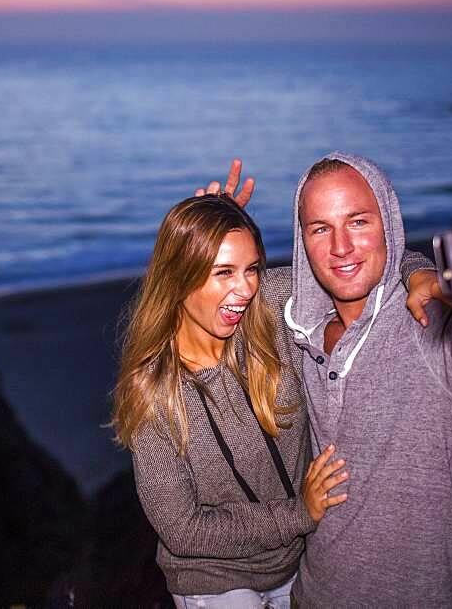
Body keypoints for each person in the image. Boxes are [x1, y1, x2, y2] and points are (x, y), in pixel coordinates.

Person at [207, 152, 452, 605]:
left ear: (389, 224)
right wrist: (210, 240)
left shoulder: (431, 324)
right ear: (303, 241)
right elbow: (210, 301)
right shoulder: (296, 328)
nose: (340, 247)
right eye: (321, 228)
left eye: (358, 222)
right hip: (311, 595)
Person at [110, 194, 349, 608]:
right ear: (179, 278)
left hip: (298, 559)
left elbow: (350, 267)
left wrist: (421, 273)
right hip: (213, 578)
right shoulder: (154, 392)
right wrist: (298, 514)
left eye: (251, 268)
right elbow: (182, 529)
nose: (244, 288)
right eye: (223, 272)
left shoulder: (270, 305)